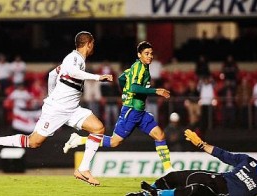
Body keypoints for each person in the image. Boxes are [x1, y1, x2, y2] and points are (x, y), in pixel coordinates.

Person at [0, 31, 113, 186]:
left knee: (98, 128)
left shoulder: (76, 60)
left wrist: (51, 94)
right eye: (93, 43)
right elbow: (73, 72)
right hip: (57, 109)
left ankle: (83, 169)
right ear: (89, 43)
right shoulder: (73, 58)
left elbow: (51, 75)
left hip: (72, 109)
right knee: (34, 142)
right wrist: (97, 77)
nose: (94, 46)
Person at [63, 41, 174, 174]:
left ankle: (168, 170)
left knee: (160, 135)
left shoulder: (140, 67)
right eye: (146, 54)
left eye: (151, 53)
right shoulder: (139, 68)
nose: (150, 56)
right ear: (139, 55)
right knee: (114, 142)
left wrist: (125, 93)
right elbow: (133, 87)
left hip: (140, 112)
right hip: (131, 111)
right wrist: (155, 91)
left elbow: (122, 78)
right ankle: (79, 139)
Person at [127, 129, 257, 196]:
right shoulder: (247, 160)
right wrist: (201, 144)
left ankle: (155, 195)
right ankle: (147, 192)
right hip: (218, 179)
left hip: (222, 193)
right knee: (175, 177)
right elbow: (222, 154)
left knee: (194, 190)